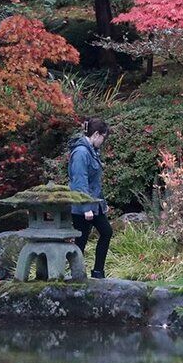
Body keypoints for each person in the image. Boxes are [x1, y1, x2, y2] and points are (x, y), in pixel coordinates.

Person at [67, 117, 111, 279]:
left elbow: (94, 183)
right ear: (96, 134)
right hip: (82, 206)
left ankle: (98, 272)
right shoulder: (81, 153)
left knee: (106, 232)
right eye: (103, 138)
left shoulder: (91, 151)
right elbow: (80, 182)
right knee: (81, 240)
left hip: (93, 204)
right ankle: (76, 274)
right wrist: (86, 208)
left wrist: (102, 204)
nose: (103, 141)